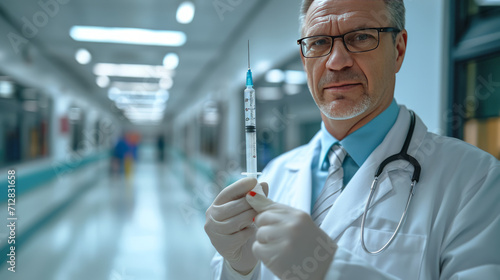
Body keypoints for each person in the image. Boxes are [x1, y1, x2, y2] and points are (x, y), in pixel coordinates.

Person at [205, 0, 500, 279]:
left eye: (360, 37)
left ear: (398, 49)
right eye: (319, 42)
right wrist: (238, 269)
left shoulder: (475, 181)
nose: (336, 61)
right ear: (304, 60)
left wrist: (329, 270)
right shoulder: (276, 174)